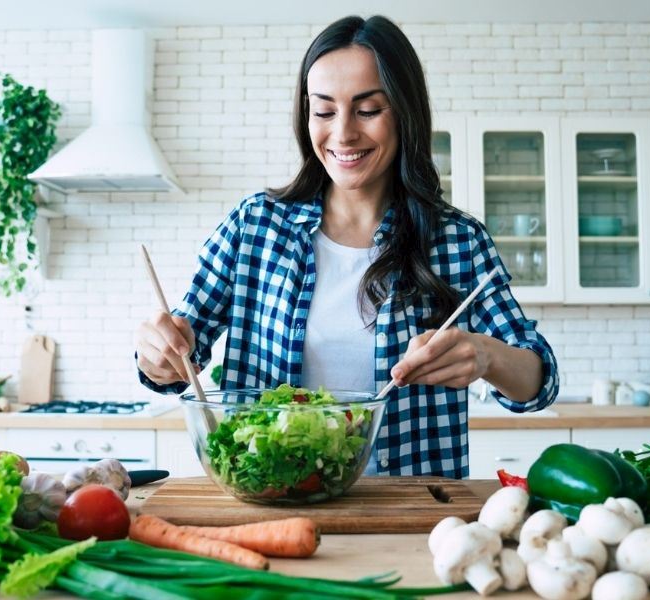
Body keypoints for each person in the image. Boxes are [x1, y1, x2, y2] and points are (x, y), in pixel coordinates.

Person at [135, 15, 559, 478]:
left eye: (368, 110)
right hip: (271, 504)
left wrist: (487, 356)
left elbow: (539, 381)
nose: (343, 134)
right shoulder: (253, 226)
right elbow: (179, 355)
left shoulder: (457, 240)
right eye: (324, 111)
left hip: (408, 514)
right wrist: (158, 356)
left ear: (405, 113)